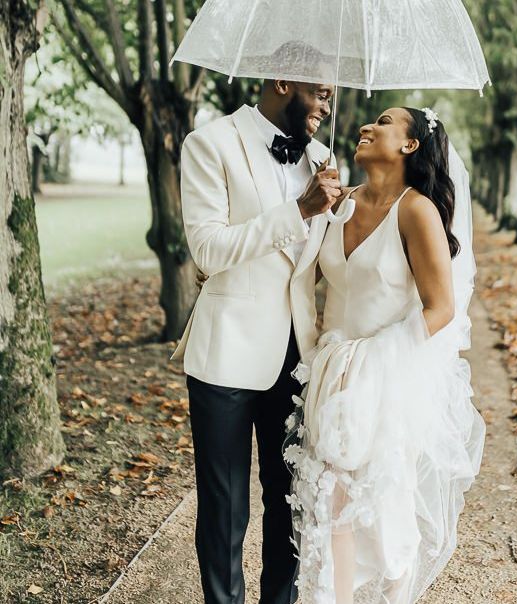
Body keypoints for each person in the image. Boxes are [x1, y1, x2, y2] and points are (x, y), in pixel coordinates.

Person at [284, 107, 486, 603]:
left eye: (385, 121)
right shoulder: (342, 203)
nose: (366, 127)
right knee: (329, 499)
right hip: (331, 372)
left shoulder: (416, 210)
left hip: (388, 375)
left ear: (410, 145)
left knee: (383, 503)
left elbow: (441, 308)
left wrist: (378, 358)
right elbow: (305, 278)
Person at [170, 77, 341, 604]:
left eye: (331, 98)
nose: (326, 107)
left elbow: (317, 264)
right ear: (283, 82)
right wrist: (300, 211)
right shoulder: (210, 143)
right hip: (226, 352)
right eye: (320, 94)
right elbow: (207, 250)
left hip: (297, 355)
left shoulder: (323, 158)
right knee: (225, 508)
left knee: (290, 499)